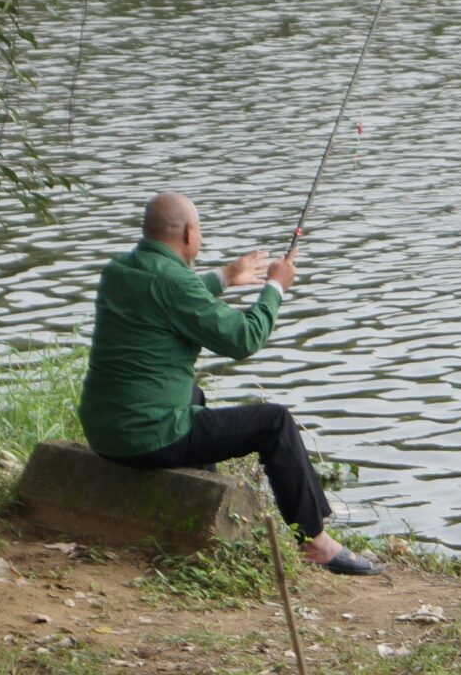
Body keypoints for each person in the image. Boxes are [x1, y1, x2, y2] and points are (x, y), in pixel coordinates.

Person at [75, 191, 381, 575]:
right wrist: (275, 288)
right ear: (189, 232)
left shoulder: (119, 270)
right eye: (200, 231)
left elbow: (165, 292)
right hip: (144, 438)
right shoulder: (176, 284)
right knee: (274, 423)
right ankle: (316, 542)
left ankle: (208, 505)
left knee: (193, 395)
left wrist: (225, 277)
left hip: (104, 431)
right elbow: (243, 339)